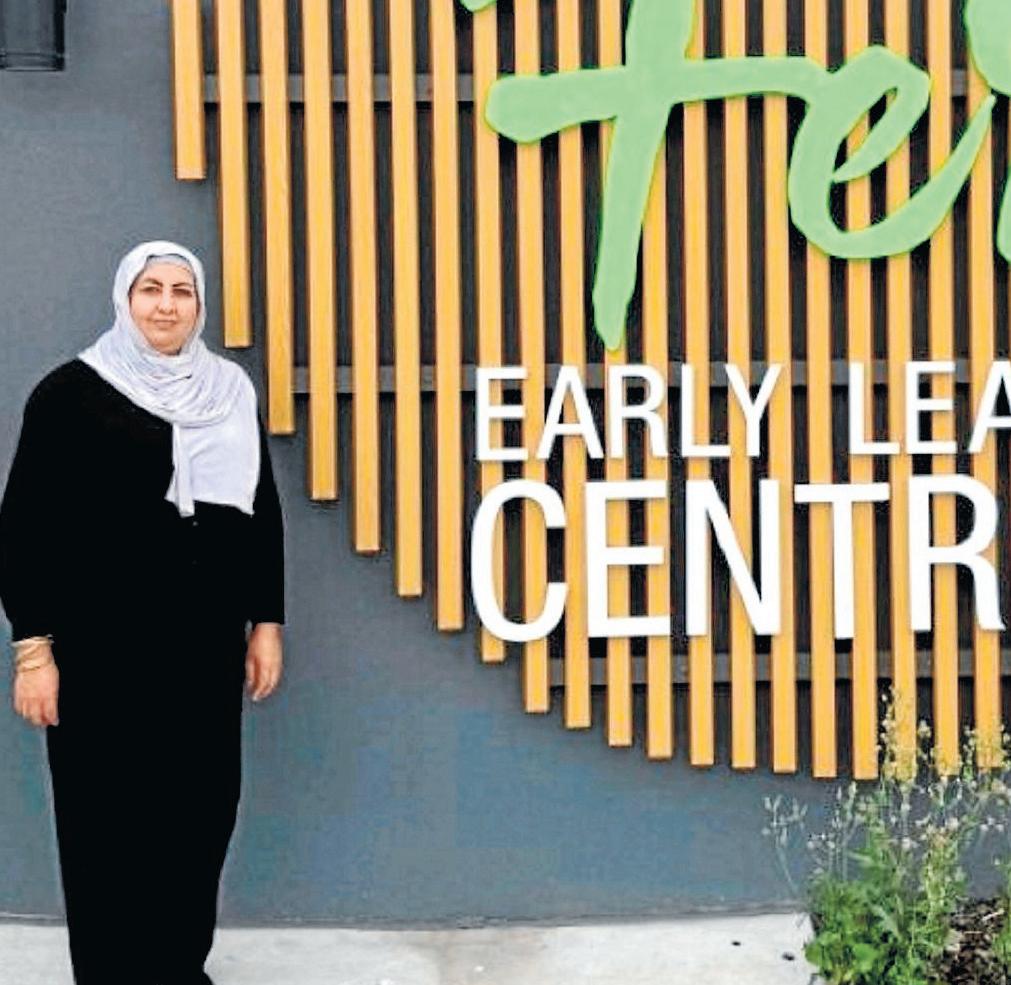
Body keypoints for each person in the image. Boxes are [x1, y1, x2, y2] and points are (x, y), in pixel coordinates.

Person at [0, 241, 286, 985]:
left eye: (181, 290)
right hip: (100, 648)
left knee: (200, 814)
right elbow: (25, 527)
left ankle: (176, 969)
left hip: (202, 646)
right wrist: (33, 651)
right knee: (106, 821)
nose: (165, 304)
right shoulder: (69, 393)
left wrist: (266, 620)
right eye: (150, 289)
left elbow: (259, 512)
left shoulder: (229, 391)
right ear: (125, 299)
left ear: (199, 304)